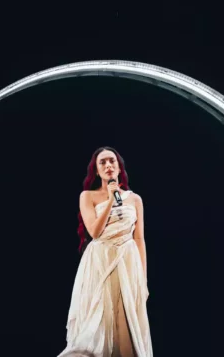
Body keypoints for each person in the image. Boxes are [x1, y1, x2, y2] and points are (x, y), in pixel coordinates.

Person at [58, 147, 153, 357]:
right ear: (97, 171)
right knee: (100, 318)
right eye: (103, 163)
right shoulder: (88, 196)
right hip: (100, 261)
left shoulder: (135, 199)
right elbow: (94, 232)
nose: (108, 165)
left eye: (112, 161)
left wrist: (143, 280)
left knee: (126, 321)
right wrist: (111, 199)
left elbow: (139, 239)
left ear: (119, 167)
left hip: (127, 261)